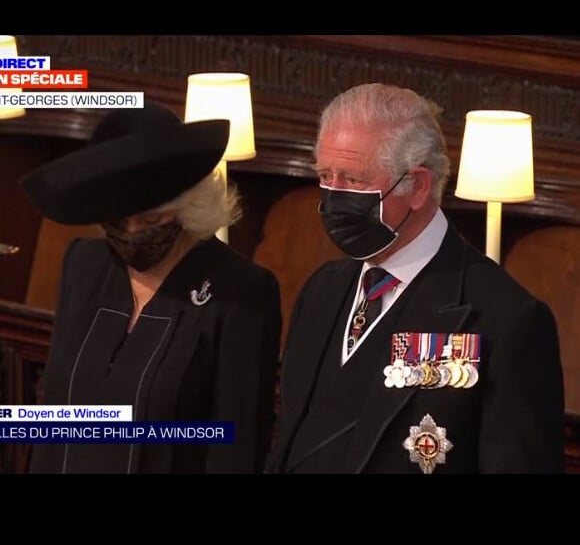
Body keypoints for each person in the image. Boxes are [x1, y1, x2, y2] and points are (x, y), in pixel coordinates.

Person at [265, 83, 565, 474]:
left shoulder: (506, 320)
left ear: (418, 186)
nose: (332, 198)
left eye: (353, 180)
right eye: (326, 175)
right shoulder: (322, 288)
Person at [20, 101, 282, 474]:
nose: (131, 233)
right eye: (117, 221)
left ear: (187, 205)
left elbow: (236, 450)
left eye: (150, 219)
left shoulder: (241, 292)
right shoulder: (84, 264)